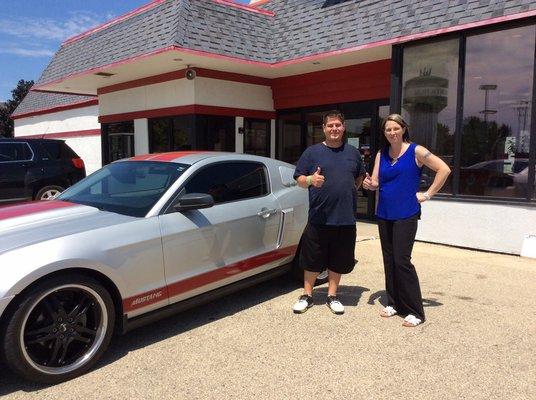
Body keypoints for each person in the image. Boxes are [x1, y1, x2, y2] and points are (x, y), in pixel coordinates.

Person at [363, 113, 451, 327]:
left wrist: (427, 194)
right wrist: (370, 185)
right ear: (384, 133)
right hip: (384, 214)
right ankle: (394, 303)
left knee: (402, 262)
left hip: (406, 214)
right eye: (388, 129)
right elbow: (375, 181)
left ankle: (415, 311)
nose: (392, 132)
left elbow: (444, 169)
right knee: (389, 260)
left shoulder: (416, 151)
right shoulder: (381, 153)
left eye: (395, 128)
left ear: (403, 129)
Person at [292, 110, 365, 314]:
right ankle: (307, 295)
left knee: (338, 259)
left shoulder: (352, 153)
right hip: (319, 217)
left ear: (343, 128)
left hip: (345, 218)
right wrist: (310, 180)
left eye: (337, 125)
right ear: (323, 128)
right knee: (312, 259)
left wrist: (347, 191)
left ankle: (332, 296)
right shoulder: (312, 152)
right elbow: (298, 179)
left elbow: (359, 178)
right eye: (330, 125)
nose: (334, 129)